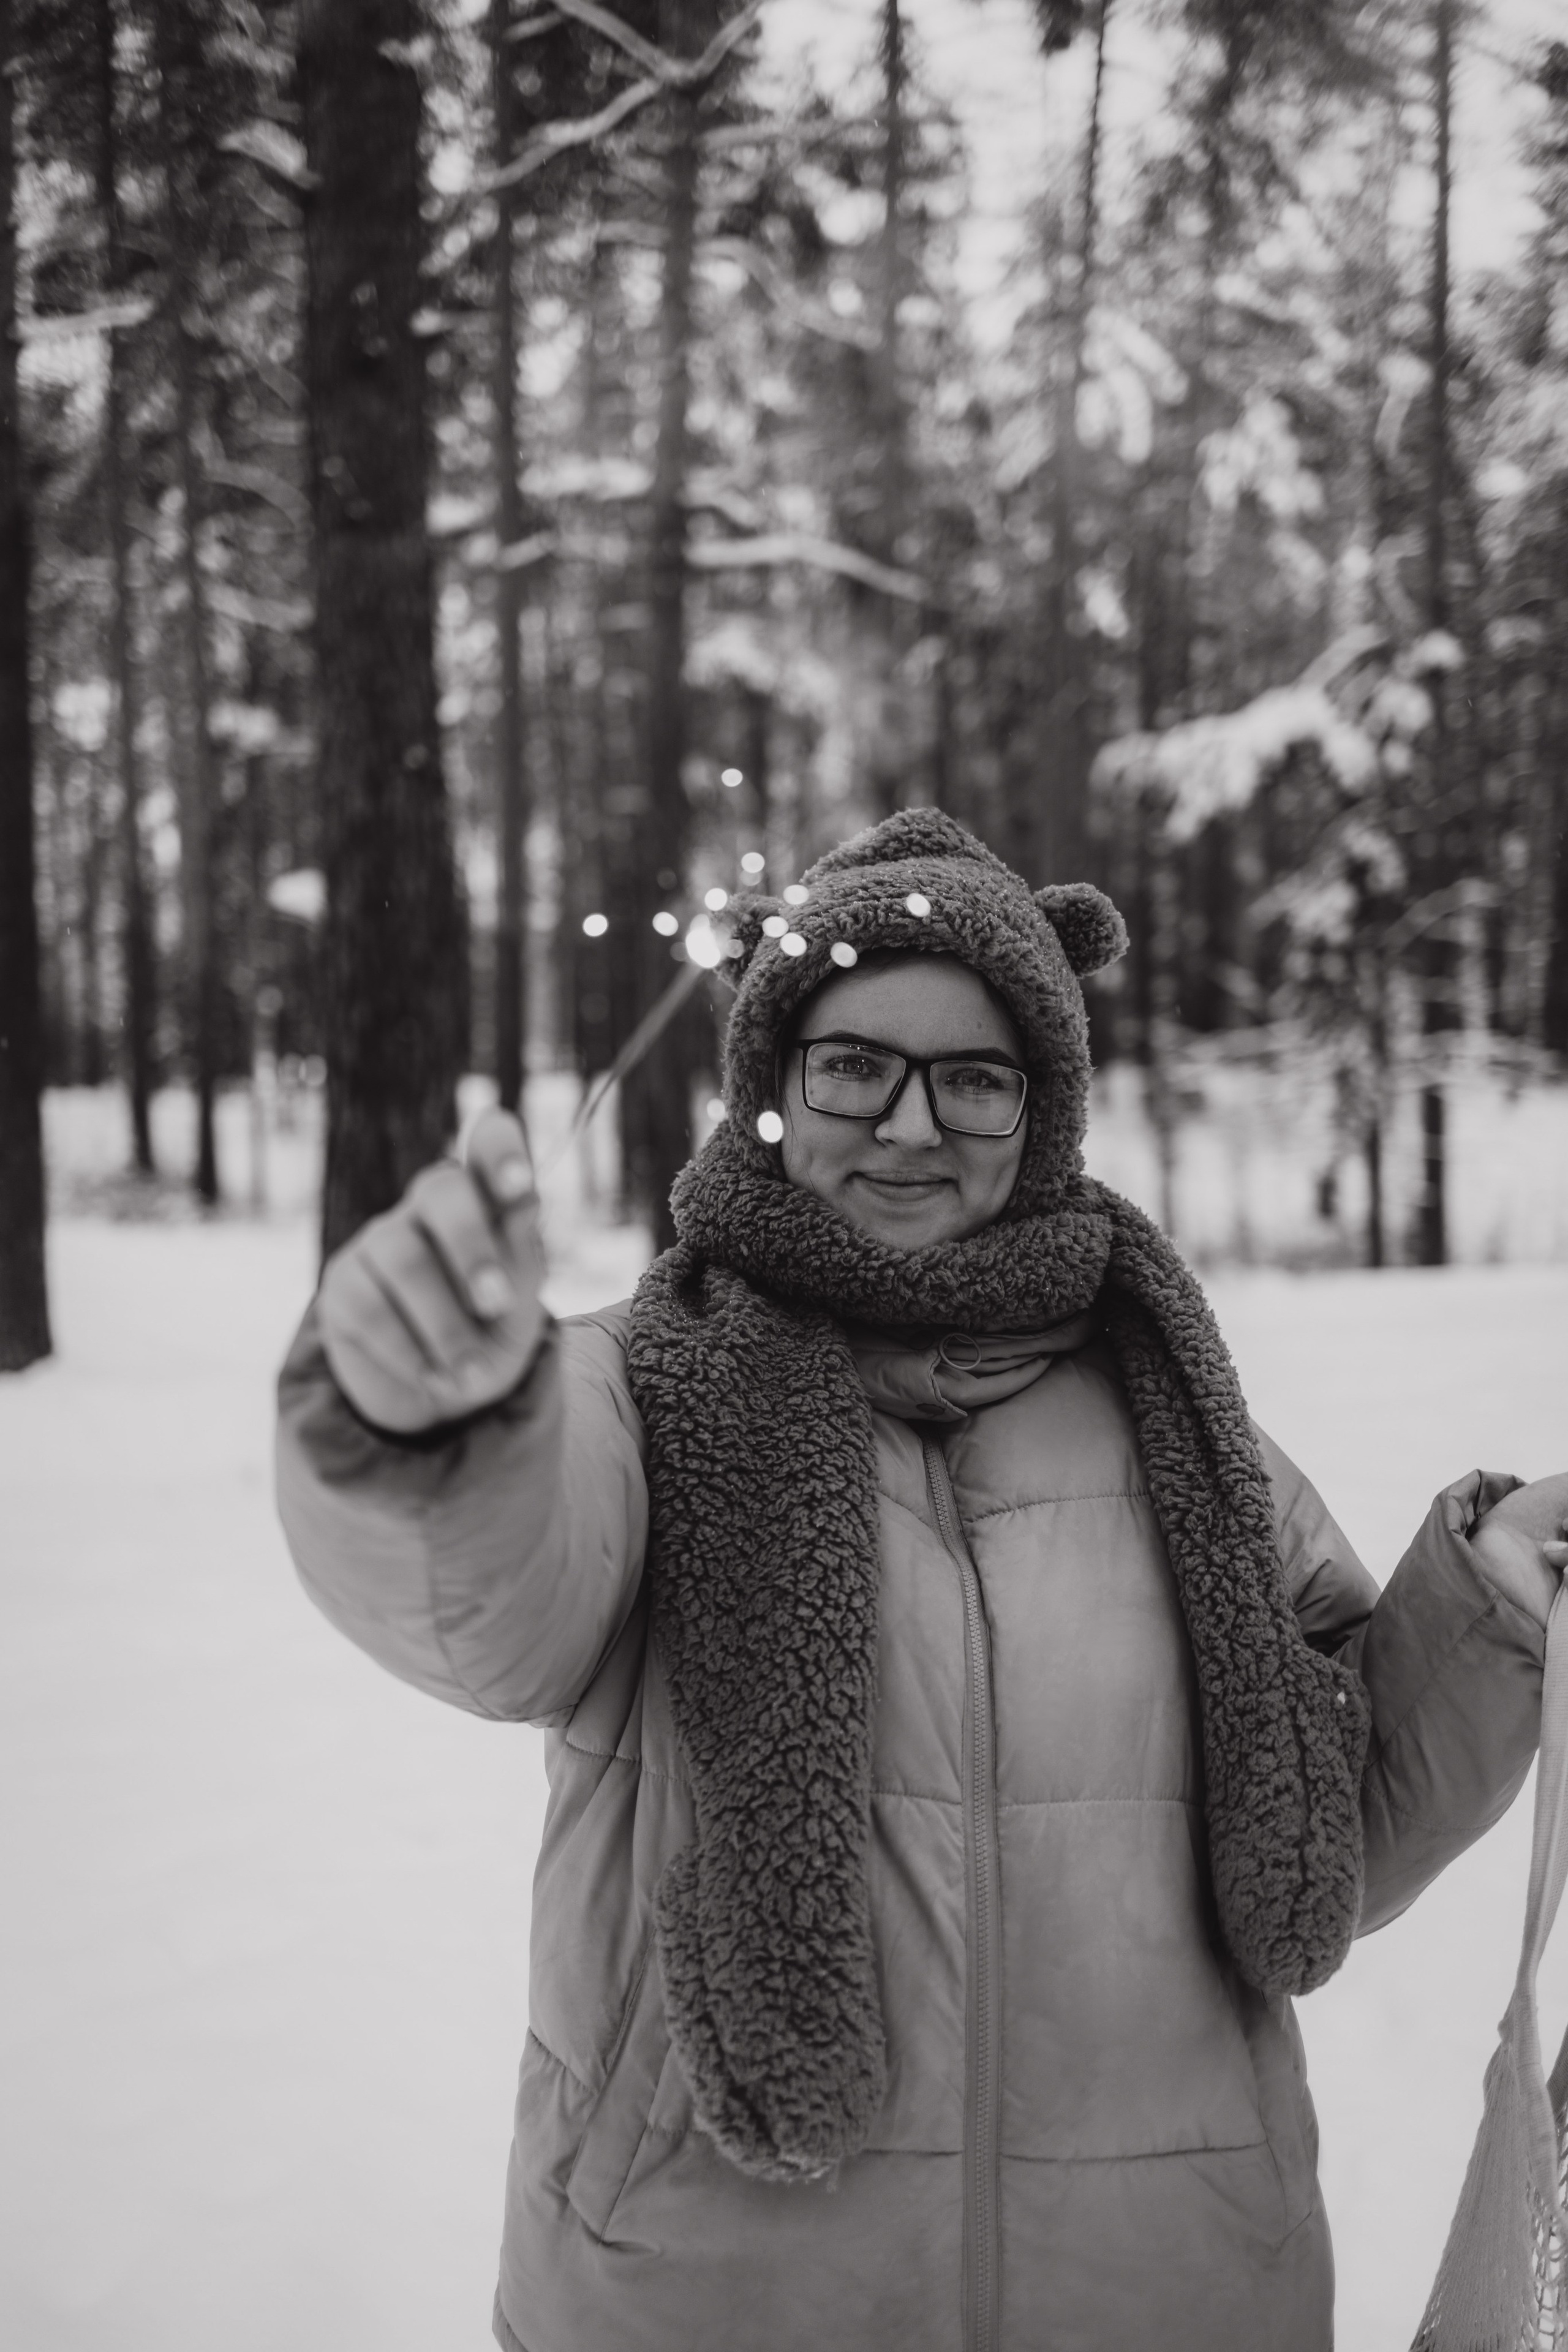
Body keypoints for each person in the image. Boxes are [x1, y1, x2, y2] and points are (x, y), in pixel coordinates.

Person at [276, 809, 1568, 2352]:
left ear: (1044, 1112)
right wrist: (436, 1428)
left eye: (973, 1078)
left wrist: (1481, 1603)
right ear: (769, 1084)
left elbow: (1322, 1830)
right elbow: (484, 1598)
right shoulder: (632, 1392)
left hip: (1172, 2296)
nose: (909, 1127)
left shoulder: (1185, 1427)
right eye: (852, 1065)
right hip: (706, 2301)